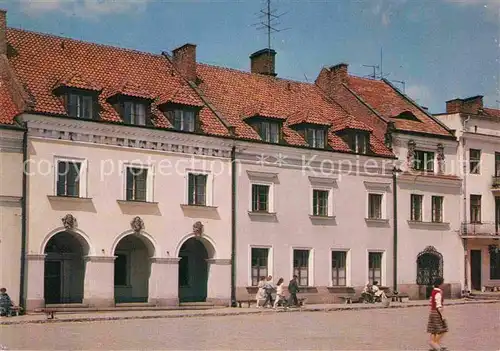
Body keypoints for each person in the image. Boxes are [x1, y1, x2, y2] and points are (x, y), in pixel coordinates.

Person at [427, 277, 448, 351]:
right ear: (440, 284)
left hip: (432, 312)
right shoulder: (438, 293)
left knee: (434, 330)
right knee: (442, 329)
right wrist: (442, 316)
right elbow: (438, 305)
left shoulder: (433, 291)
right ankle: (434, 343)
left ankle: (435, 344)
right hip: (437, 312)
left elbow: (430, 301)